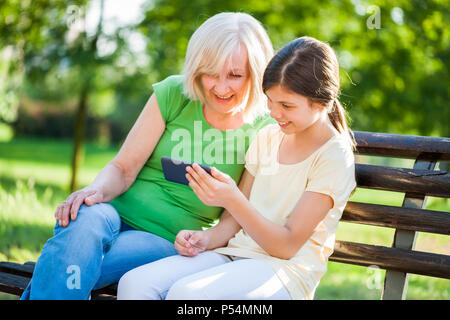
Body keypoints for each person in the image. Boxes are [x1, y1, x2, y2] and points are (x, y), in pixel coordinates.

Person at [21, 12, 274, 300]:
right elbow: (123, 168)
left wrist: (205, 240)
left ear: (256, 72)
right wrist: (95, 190)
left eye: (235, 75)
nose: (220, 86)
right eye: (211, 73)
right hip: (112, 211)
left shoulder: (262, 132)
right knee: (83, 221)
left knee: (73, 261)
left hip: (164, 239)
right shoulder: (174, 94)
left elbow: (233, 218)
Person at [117, 36, 357, 300]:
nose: (274, 113)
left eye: (286, 105)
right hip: (234, 254)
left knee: (187, 296)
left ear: (322, 103)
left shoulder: (333, 157)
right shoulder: (267, 137)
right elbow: (232, 221)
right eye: (270, 101)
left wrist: (231, 198)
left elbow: (286, 246)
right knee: (134, 283)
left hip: (285, 272)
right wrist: (205, 239)